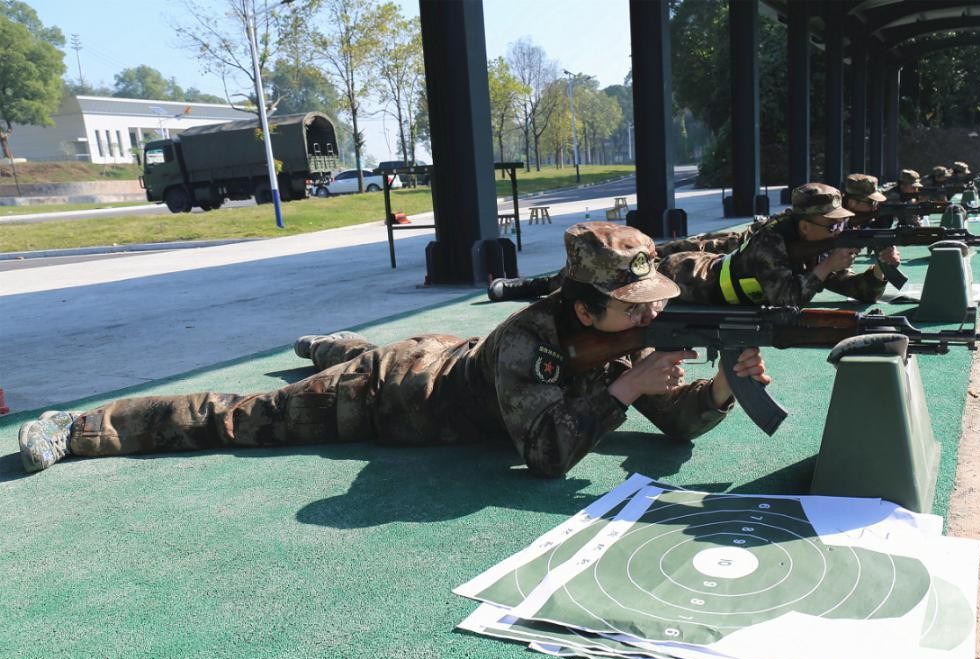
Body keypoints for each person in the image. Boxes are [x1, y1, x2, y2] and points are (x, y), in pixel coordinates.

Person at [18, 223, 768, 479]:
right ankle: (79, 428)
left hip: (446, 353)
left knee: (357, 351)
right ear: (582, 307)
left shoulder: (609, 338)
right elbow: (544, 458)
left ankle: (329, 345)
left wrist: (722, 391)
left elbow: (676, 424)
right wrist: (629, 387)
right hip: (391, 392)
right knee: (243, 415)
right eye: (634, 309)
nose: (654, 316)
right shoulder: (529, 340)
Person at [654, 182, 889, 306]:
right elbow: (786, 300)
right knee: (644, 267)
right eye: (833, 225)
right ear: (805, 227)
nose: (839, 232)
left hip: (721, 268)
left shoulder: (817, 242)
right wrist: (827, 267)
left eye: (842, 224)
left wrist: (880, 271)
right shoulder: (770, 241)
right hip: (690, 275)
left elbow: (855, 290)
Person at [840, 173, 902, 276]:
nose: (875, 208)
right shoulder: (835, 226)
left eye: (876, 203)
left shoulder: (852, 223)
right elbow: (840, 277)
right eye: (871, 203)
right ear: (852, 203)